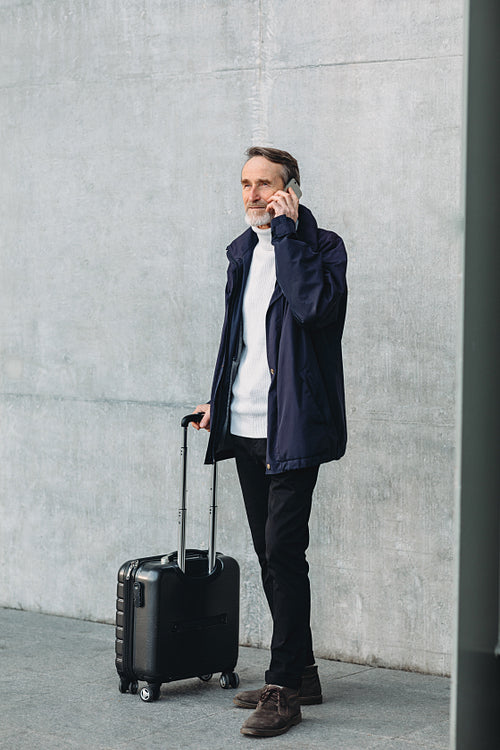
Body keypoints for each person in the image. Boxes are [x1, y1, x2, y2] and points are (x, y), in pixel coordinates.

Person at [192, 146, 347, 738]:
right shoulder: (240, 253)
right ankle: (300, 672)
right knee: (268, 552)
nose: (252, 194)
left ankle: (284, 690)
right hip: (249, 423)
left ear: (291, 191)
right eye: (245, 183)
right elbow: (236, 341)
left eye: (266, 185)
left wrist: (287, 236)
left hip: (295, 424)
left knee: (285, 551)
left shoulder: (321, 248)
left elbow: (312, 308)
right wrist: (218, 399)